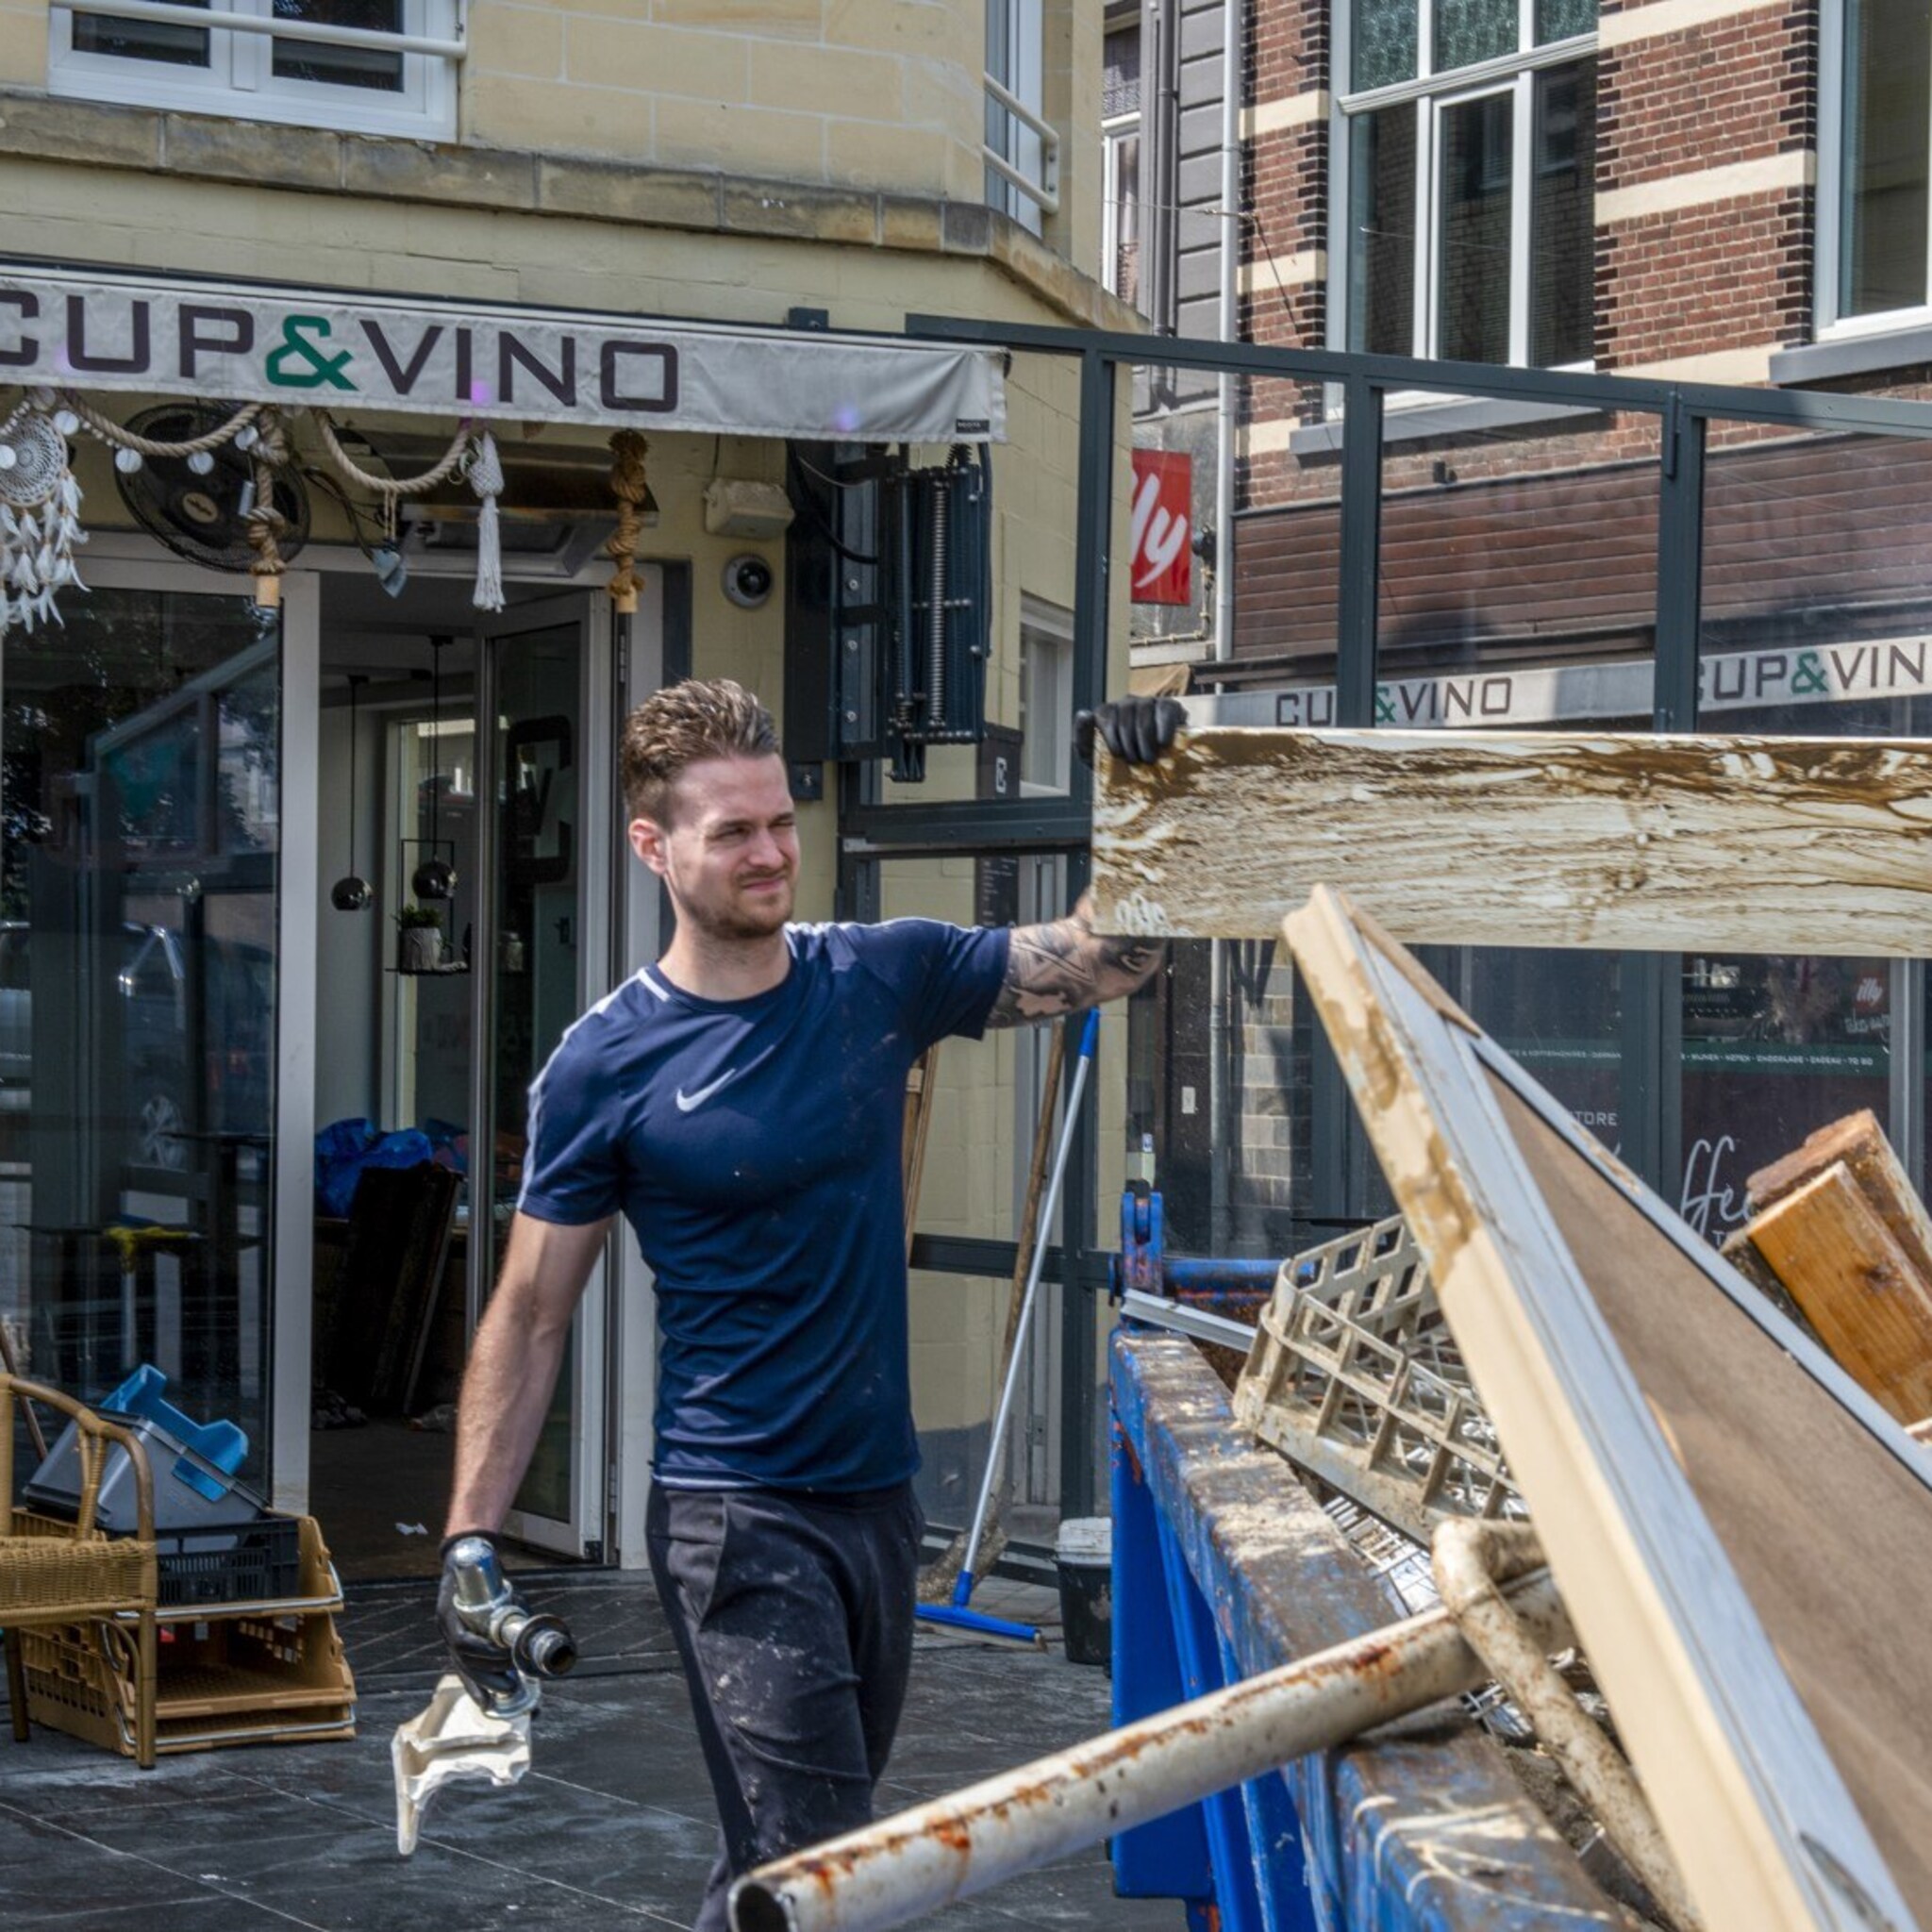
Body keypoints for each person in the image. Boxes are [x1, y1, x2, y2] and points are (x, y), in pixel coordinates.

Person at [439, 677, 1184, 1931]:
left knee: (781, 1869)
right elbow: (529, 1313)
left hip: (877, 1499)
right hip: (734, 1511)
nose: (772, 852)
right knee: (829, 1862)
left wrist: (1150, 802)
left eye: (780, 821)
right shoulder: (605, 1063)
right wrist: (470, 1539)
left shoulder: (880, 975)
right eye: (731, 832)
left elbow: (1113, 956)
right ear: (653, 847)